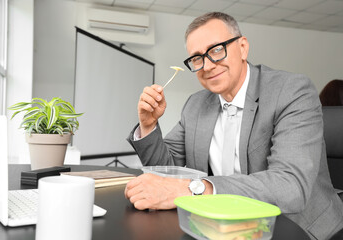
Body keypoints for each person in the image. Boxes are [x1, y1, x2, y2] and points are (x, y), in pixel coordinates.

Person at [124, 12, 343, 239]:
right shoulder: (196, 105)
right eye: (197, 58)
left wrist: (196, 189)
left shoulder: (291, 91)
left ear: (243, 47)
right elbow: (167, 171)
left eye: (217, 49)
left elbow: (290, 186)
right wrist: (148, 126)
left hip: (295, 226)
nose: (207, 65)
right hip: (226, 226)